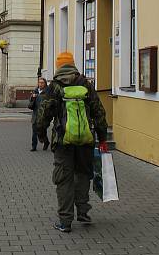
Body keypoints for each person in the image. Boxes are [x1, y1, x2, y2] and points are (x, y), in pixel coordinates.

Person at [36, 52, 107, 233]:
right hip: (85, 140)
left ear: (59, 66)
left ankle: (65, 221)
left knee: (64, 179)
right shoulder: (86, 84)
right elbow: (99, 112)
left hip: (63, 141)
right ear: (73, 65)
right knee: (83, 175)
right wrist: (102, 137)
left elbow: (43, 114)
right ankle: (83, 212)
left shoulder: (54, 87)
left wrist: (42, 134)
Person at [29, 77, 49, 151]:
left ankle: (46, 142)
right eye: (39, 83)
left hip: (43, 114)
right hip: (35, 113)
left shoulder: (47, 92)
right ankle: (34, 146)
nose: (40, 84)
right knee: (34, 131)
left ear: (45, 83)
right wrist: (32, 97)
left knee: (42, 131)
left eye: (42, 83)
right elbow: (30, 101)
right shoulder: (35, 91)